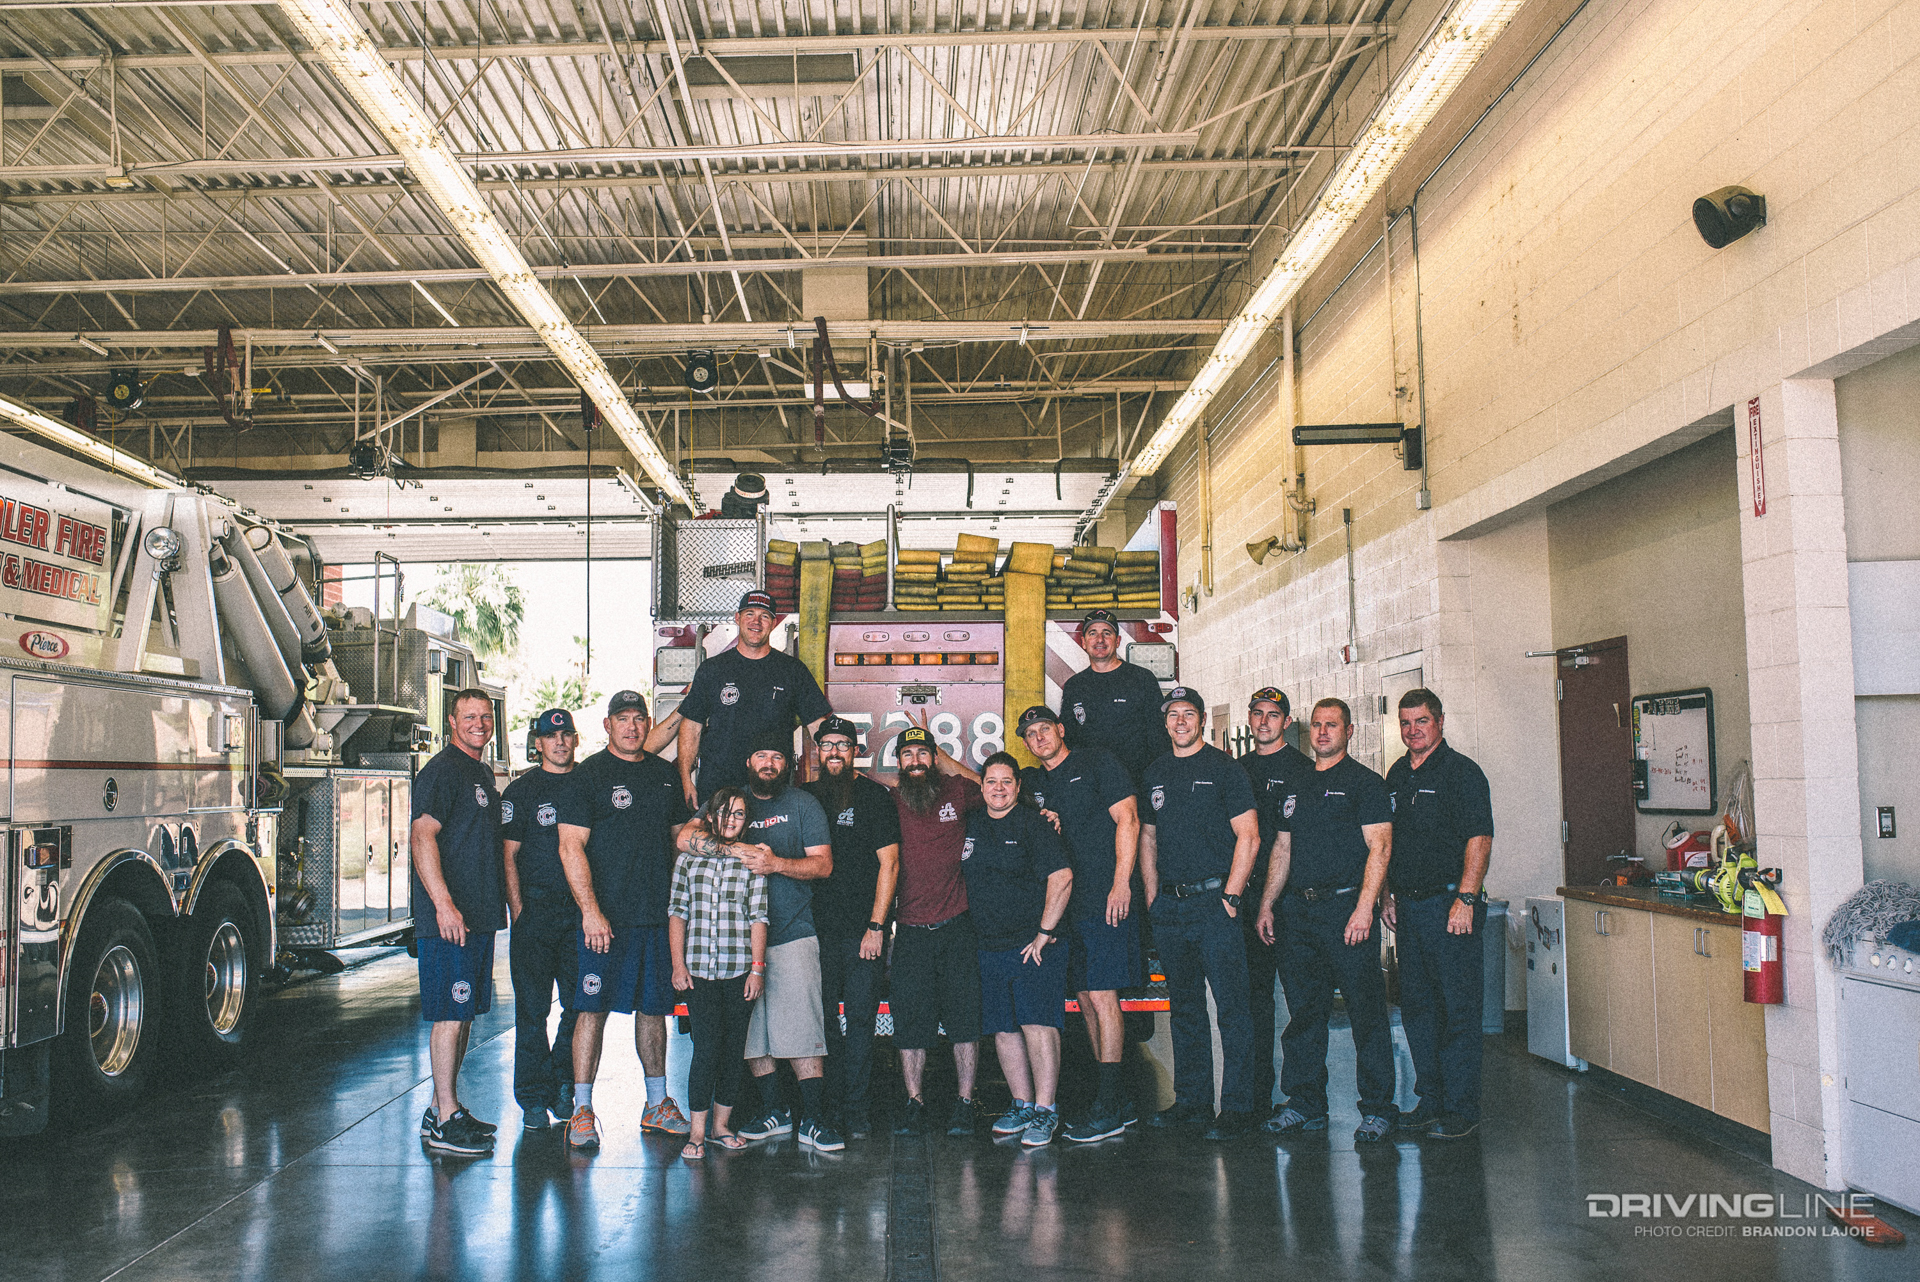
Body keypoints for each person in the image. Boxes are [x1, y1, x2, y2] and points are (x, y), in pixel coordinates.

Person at [685, 733, 843, 1151]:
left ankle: (814, 1118)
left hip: (792, 933)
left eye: (776, 756)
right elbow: (685, 839)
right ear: (749, 760)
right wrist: (730, 848)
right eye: (761, 755)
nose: (769, 763)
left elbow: (824, 865)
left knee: (803, 1030)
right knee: (750, 1036)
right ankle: (775, 1111)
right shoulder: (729, 803)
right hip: (732, 946)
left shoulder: (802, 804)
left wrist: (774, 863)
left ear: (786, 763)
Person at [1254, 697, 1397, 1145]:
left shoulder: (1365, 784)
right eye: (1316, 725)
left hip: (1345, 911)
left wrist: (1363, 908)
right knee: (1304, 1014)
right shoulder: (1294, 786)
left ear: (1348, 731)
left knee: (1365, 1013)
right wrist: (1266, 904)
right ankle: (1304, 1104)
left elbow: (1381, 849)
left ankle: (1377, 1109)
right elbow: (1281, 849)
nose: (1322, 733)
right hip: (1298, 914)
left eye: (1331, 726)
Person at [556, 691, 694, 1150]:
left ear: (647, 722)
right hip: (605, 923)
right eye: (623, 719)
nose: (632, 727)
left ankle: (656, 1104)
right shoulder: (588, 776)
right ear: (607, 725)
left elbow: (680, 841)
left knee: (653, 1010)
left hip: (656, 918)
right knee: (589, 1011)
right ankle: (581, 1110)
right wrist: (591, 912)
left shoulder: (663, 776)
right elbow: (570, 846)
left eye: (639, 719)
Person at [1139, 686, 1263, 1140]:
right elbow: (1147, 839)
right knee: (1185, 1009)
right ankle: (1192, 1101)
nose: (1180, 722)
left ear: (1202, 719)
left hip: (1215, 906)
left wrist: (1231, 898)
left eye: (1188, 714)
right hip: (1171, 907)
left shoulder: (1224, 770)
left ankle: (1236, 1108)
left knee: (1232, 1010)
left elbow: (1248, 836)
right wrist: (1153, 897)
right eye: (1173, 715)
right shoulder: (1154, 772)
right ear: (1165, 722)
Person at [1015, 705, 1141, 1143]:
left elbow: (1129, 819)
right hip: (1069, 905)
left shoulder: (1096, 762)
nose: (1039, 739)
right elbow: (985, 783)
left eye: (1044, 730)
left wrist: (1122, 884)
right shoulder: (1036, 784)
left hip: (1105, 899)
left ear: (1061, 730)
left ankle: (1109, 1105)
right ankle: (1116, 1098)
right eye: (1030, 735)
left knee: (1104, 995)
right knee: (1087, 997)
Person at [1383, 688, 1494, 1140]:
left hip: (1450, 907)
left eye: (1422, 722)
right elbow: (1385, 842)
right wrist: (1387, 894)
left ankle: (1462, 1108)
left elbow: (1479, 839)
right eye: (1406, 723)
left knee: (1457, 1009)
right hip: (1409, 908)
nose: (1413, 731)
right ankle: (1430, 1099)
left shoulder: (1462, 774)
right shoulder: (1396, 775)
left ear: (1441, 721)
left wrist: (1466, 899)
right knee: (1418, 1008)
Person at [408, 688, 507, 1156]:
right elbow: (422, 837)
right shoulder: (442, 771)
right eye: (469, 717)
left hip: (476, 917)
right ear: (451, 721)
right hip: (449, 920)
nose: (479, 724)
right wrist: (444, 905)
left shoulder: (480, 772)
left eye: (485, 717)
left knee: (464, 1013)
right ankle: (447, 1118)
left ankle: (440, 1109)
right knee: (450, 1013)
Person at [965, 754, 1075, 1147]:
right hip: (988, 946)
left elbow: (1062, 877)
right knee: (1003, 1028)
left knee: (1038, 1024)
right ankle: (1022, 1104)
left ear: (1018, 786)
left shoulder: (1035, 824)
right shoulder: (972, 825)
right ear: (980, 787)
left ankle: (1046, 1110)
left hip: (1032, 947)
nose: (998, 788)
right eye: (991, 782)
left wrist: (1044, 933)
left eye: (1006, 781)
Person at [805, 716, 902, 1139]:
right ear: (817, 751)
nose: (835, 752)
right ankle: (828, 1111)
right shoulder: (802, 798)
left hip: (862, 933)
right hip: (812, 935)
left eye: (843, 745)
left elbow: (890, 864)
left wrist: (877, 926)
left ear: (856, 751)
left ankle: (857, 1111)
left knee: (860, 1022)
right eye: (827, 744)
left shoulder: (874, 798)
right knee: (821, 1023)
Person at [888, 725, 987, 1137]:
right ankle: (915, 1103)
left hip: (958, 927)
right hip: (909, 931)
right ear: (898, 763)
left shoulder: (958, 791)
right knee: (910, 1024)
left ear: (935, 757)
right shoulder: (890, 800)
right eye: (907, 755)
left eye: (922, 754)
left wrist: (945, 755)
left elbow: (998, 789)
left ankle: (965, 1103)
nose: (915, 762)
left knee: (965, 1020)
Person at [668, 787, 769, 1159]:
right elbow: (677, 912)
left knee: (732, 1051)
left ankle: (720, 1127)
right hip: (698, 972)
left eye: (739, 814)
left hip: (738, 970)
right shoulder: (688, 861)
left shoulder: (752, 861)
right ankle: (696, 1133)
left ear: (746, 821)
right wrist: (678, 965)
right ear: (710, 817)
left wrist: (757, 969)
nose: (731, 820)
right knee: (705, 1049)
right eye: (725, 813)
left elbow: (758, 916)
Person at [501, 707, 584, 1131]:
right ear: (538, 743)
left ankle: (563, 1083)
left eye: (566, 734)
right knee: (531, 1013)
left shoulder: (589, 783)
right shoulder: (521, 791)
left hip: (577, 915)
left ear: (575, 738)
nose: (560, 742)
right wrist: (519, 913)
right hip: (535, 914)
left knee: (579, 1006)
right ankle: (533, 1099)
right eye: (552, 737)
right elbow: (509, 856)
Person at [675, 589, 834, 805]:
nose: (756, 622)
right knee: (718, 840)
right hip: (718, 786)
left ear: (773, 622)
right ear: (737, 618)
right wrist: (686, 779)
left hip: (772, 787)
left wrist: (836, 761)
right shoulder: (712, 669)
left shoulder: (792, 671)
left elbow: (817, 725)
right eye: (749, 614)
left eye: (764, 616)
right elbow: (691, 727)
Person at [1236, 687, 1315, 1118]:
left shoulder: (1303, 770)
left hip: (1291, 904)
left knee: (1301, 1003)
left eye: (1273, 714)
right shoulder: (1237, 770)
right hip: (1249, 903)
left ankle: (1302, 1096)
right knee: (1255, 1004)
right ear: (1249, 719)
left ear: (1286, 722)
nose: (1264, 721)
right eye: (1257, 714)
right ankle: (1255, 1096)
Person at [1058, 608, 1173, 797]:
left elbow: (1159, 737)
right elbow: (1068, 740)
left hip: (1137, 785)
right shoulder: (1074, 686)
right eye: (1092, 633)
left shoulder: (1141, 679)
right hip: (1091, 788)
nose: (1100, 639)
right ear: (1083, 642)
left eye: (1107, 633)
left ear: (1118, 641)